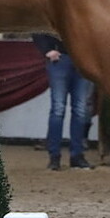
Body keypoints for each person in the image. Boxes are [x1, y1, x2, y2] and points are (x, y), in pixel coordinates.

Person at [32, 33, 94, 170]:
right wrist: (47, 49)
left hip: (73, 59)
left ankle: (65, 156)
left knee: (70, 109)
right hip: (66, 58)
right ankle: (64, 155)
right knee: (68, 109)